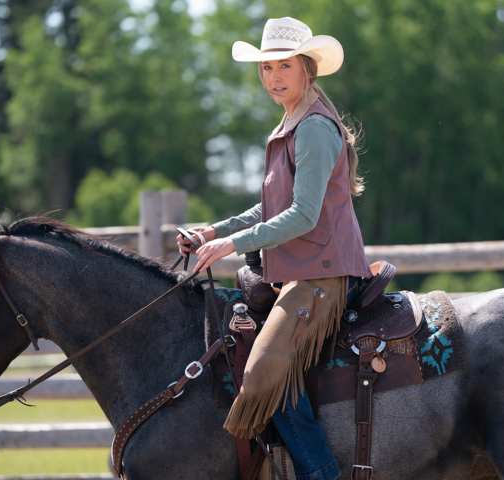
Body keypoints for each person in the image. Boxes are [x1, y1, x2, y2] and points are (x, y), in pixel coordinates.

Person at [177, 17, 371, 480]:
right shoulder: (293, 122)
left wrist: (232, 244)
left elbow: (302, 215)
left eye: (284, 65)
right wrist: (213, 231)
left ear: (307, 68)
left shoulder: (314, 128)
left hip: (324, 274)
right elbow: (270, 207)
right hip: (304, 271)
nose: (274, 76)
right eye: (266, 67)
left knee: (266, 375)